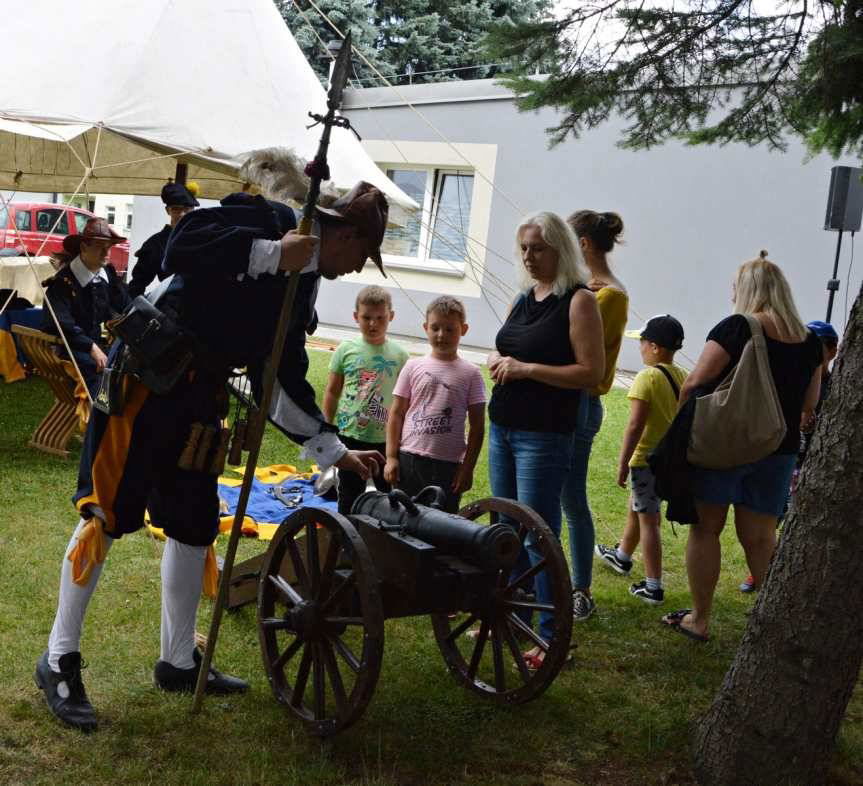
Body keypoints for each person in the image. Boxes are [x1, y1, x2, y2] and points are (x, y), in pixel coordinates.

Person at [35, 182, 391, 732]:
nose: (356, 268)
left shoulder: (306, 286)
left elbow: (279, 376)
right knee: (106, 515)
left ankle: (177, 661)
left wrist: (332, 451)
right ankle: (59, 659)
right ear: (343, 234)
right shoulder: (267, 218)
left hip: (199, 402)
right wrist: (274, 254)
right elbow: (185, 245)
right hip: (145, 384)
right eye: (359, 253)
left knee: (194, 526)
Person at [661, 252, 822, 642]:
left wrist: (685, 428)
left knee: (706, 530)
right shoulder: (811, 341)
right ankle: (776, 624)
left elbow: (693, 383)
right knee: (762, 537)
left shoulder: (737, 327)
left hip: (724, 446)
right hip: (778, 449)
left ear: (748, 291)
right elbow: (809, 403)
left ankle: (699, 619)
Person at [487, 212, 604, 668]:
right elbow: (512, 345)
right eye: (524, 249)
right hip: (504, 425)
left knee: (538, 534)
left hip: (544, 434)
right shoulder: (524, 298)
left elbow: (591, 373)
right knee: (507, 529)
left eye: (538, 248)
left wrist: (526, 369)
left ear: (561, 249)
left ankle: (552, 636)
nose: (529, 257)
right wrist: (501, 359)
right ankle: (511, 617)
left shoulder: (579, 301)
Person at [560, 210, 628, 620]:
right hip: (562, 401)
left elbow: (582, 355)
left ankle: (581, 589)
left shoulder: (609, 296)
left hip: (581, 402)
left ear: (583, 244)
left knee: (572, 500)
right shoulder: (583, 288)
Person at [738, 318, 839, 592]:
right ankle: (761, 572)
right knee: (770, 521)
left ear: (833, 351)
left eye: (819, 346)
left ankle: (782, 577)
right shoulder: (794, 375)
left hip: (817, 467)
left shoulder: (838, 387)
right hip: (789, 461)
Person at [595, 315, 688, 605]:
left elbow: (635, 425)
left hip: (646, 459)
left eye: (644, 343)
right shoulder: (682, 375)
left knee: (650, 521)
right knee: (638, 508)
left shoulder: (647, 377)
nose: (641, 348)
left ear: (656, 348)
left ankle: (653, 587)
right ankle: (622, 556)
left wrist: (623, 463)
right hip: (668, 460)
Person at [384, 296, 486, 514]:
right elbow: (396, 413)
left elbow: (478, 427)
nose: (442, 335)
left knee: (441, 526)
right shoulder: (412, 366)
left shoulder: (471, 374)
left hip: (448, 468)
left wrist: (467, 469)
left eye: (450, 329)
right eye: (435, 328)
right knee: (403, 521)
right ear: (426, 328)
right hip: (409, 461)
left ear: (464, 329)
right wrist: (391, 457)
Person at [323, 285, 409, 514]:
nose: (373, 323)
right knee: (349, 493)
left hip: (384, 439)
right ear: (355, 317)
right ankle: (345, 535)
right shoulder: (345, 350)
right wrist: (326, 427)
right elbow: (332, 391)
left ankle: (376, 536)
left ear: (391, 316)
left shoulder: (400, 356)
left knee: (385, 494)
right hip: (350, 436)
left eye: (380, 318)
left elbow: (405, 402)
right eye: (366, 317)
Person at [41, 218, 131, 396]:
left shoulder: (107, 276)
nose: (106, 252)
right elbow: (60, 323)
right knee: (102, 377)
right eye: (100, 246)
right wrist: (91, 347)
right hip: (70, 350)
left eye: (109, 247)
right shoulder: (62, 283)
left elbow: (125, 305)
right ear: (83, 248)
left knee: (129, 366)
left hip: (98, 347)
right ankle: (99, 419)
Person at [127, 181, 199, 298]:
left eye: (186, 208)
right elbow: (136, 287)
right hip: (172, 311)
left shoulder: (203, 237)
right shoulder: (155, 244)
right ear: (168, 210)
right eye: (176, 209)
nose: (181, 214)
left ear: (193, 209)